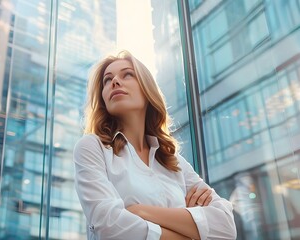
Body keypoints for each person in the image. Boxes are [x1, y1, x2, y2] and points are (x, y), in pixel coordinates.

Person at [73, 50, 236, 239]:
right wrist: (190, 229)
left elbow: (226, 227)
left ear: (146, 88)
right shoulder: (92, 147)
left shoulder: (174, 162)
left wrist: (140, 211)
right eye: (107, 80)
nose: (115, 81)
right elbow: (109, 226)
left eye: (127, 74)